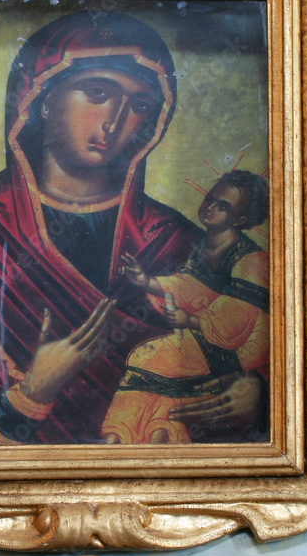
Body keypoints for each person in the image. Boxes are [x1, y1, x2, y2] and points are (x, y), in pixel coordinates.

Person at [0, 10, 264, 445]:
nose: (114, 120)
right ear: (42, 99)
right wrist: (31, 395)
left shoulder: (178, 240)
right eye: (98, 92)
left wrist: (256, 394)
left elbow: (236, 339)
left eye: (140, 106)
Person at [101, 171, 269, 444]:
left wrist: (190, 321)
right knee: (149, 368)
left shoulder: (252, 259)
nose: (210, 207)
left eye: (222, 206)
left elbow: (237, 320)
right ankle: (154, 434)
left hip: (238, 350)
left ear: (240, 219)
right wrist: (147, 281)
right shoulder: (204, 246)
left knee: (145, 359)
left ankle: (123, 434)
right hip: (207, 339)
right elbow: (188, 286)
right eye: (210, 199)